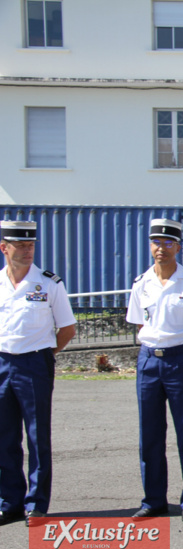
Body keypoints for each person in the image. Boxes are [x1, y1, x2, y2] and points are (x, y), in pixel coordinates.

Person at [126, 218, 183, 522]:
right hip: (149, 360)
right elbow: (140, 324)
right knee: (149, 434)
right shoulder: (141, 283)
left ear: (178, 247)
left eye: (167, 243)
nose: (161, 249)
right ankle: (153, 500)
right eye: (156, 243)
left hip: (180, 359)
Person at [0, 221, 76, 527]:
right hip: (3, 363)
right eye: (20, 246)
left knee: (36, 436)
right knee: (4, 437)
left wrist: (46, 354)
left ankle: (37, 503)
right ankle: (10, 502)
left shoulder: (48, 283)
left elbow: (68, 329)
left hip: (34, 364)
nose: (27, 251)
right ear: (4, 248)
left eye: (31, 245)